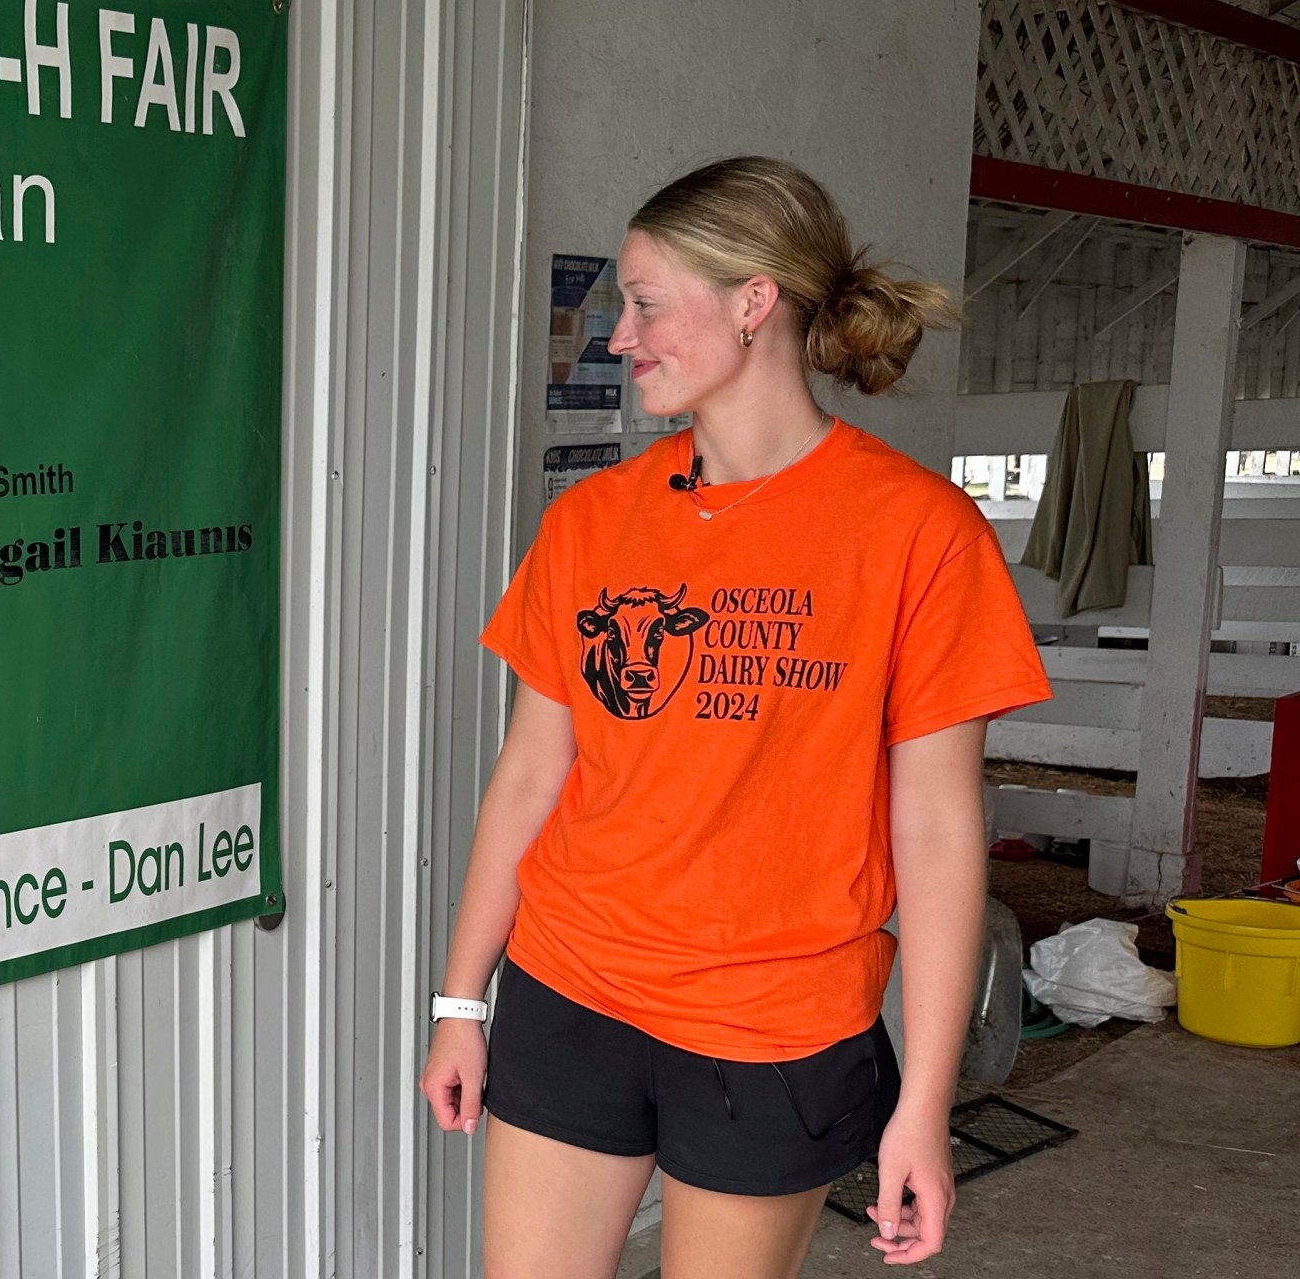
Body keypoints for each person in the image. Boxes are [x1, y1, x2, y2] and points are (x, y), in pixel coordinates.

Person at [417, 157, 1051, 1277]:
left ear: (753, 301)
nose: (618, 337)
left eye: (648, 303)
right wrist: (461, 1000)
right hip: (572, 990)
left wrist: (926, 1107)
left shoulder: (918, 534)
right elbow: (528, 776)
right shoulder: (592, 522)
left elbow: (940, 831)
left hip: (778, 1026)